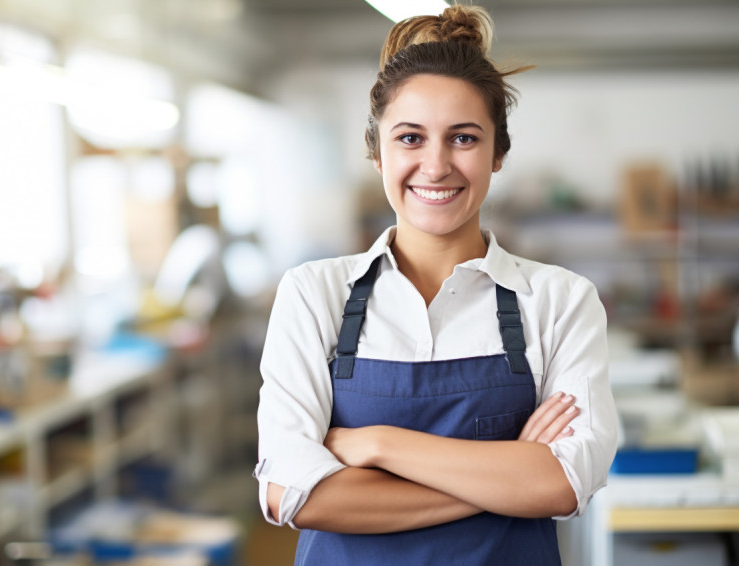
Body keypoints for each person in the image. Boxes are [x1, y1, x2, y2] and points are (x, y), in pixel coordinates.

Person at [254, 4, 618, 565]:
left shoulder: (559, 301)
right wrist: (506, 474)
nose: (436, 164)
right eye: (410, 138)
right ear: (377, 152)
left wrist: (375, 446)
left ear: (498, 153)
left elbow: (565, 484)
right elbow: (293, 494)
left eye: (464, 138)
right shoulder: (313, 294)